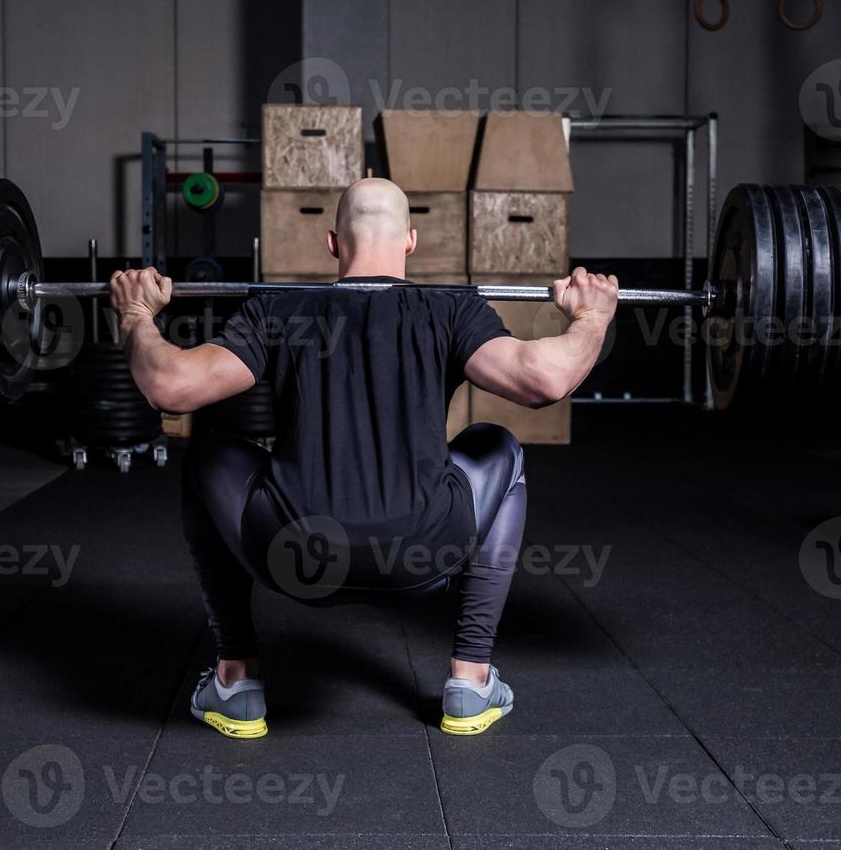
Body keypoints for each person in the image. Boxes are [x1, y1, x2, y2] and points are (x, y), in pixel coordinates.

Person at [111, 177, 618, 739]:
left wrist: (136, 313)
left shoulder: (281, 309)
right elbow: (545, 379)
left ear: (332, 242)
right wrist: (591, 318)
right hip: (427, 553)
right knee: (500, 447)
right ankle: (471, 682)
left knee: (207, 455)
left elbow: (170, 388)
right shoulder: (450, 309)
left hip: (293, 557)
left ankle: (236, 681)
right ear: (411, 241)